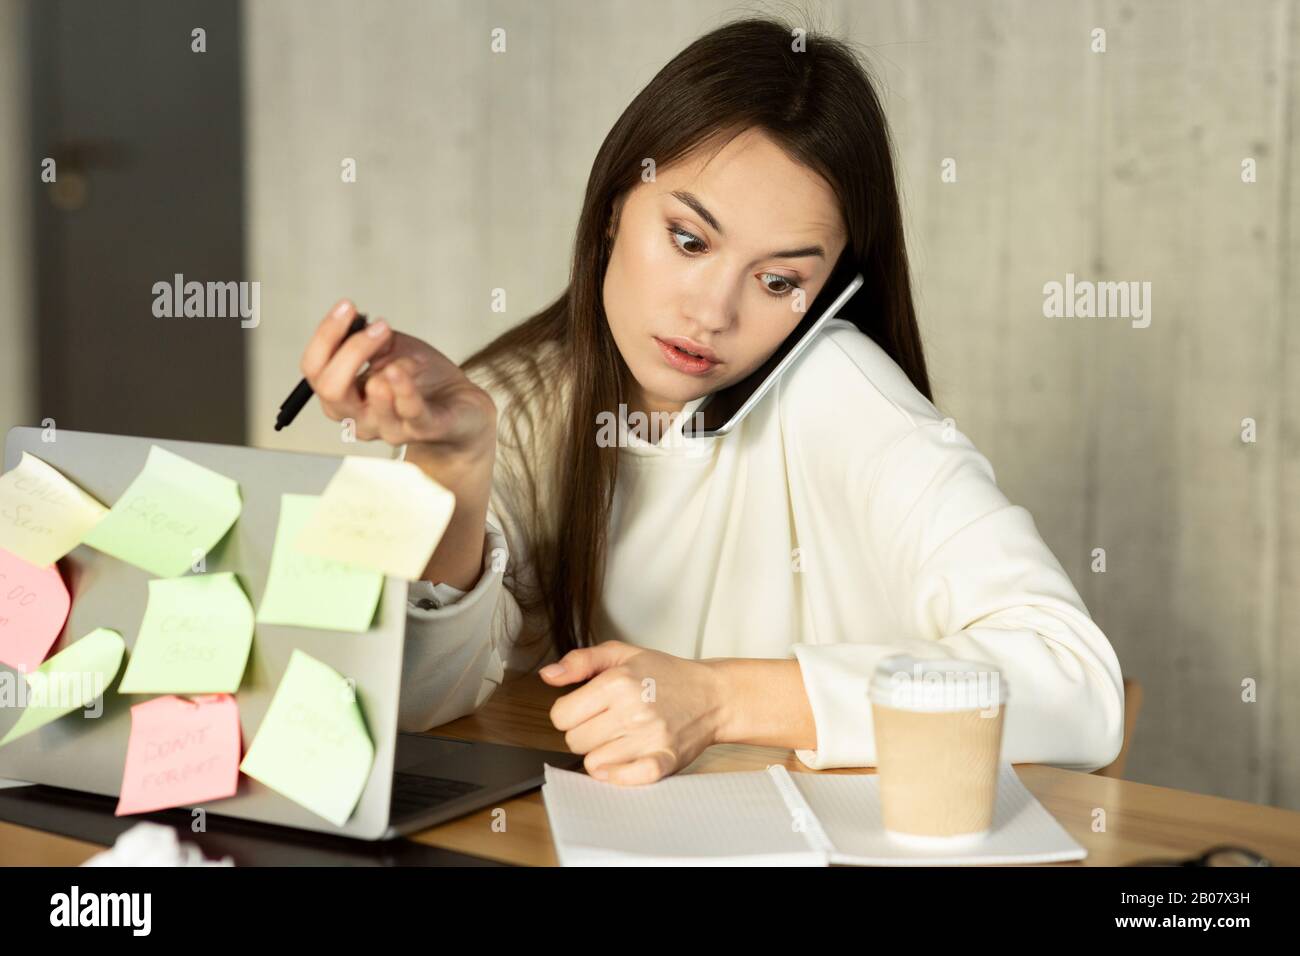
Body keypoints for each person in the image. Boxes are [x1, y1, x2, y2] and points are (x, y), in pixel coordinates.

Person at [296, 17, 1125, 786]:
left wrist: (724, 699)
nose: (713, 314)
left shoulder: (837, 387)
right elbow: (405, 704)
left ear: (829, 292)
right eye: (689, 240)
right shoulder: (513, 397)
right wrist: (452, 463)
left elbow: (1081, 686)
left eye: (779, 281)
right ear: (616, 204)